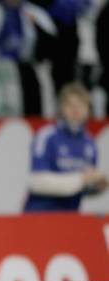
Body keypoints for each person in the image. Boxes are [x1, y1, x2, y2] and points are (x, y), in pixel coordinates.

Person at [24, 82, 107, 212]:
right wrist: (81, 178)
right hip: (40, 217)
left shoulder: (90, 143)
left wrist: (98, 186)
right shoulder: (46, 136)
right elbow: (37, 182)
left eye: (81, 105)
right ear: (61, 108)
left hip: (70, 218)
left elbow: (80, 188)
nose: (76, 110)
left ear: (88, 109)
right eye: (71, 105)